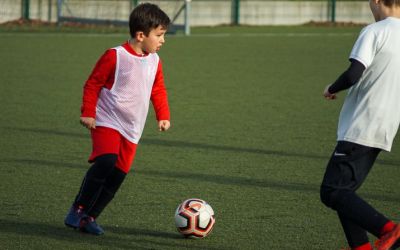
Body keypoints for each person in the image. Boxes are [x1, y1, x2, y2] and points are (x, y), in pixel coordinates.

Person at [64, 3, 171, 235]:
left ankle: (89, 218)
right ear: (141, 35)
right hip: (107, 119)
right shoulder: (115, 56)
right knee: (106, 161)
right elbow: (93, 83)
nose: (163, 41)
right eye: (160, 35)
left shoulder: (154, 61)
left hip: (133, 127)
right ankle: (78, 208)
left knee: (118, 175)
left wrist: (163, 115)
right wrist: (88, 112)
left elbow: (158, 89)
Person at [320, 0, 400, 249]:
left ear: (376, 1)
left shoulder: (375, 31)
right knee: (345, 192)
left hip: (362, 123)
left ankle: (390, 229)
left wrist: (331, 88)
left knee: (332, 191)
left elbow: (354, 73)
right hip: (386, 126)